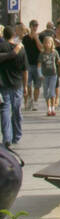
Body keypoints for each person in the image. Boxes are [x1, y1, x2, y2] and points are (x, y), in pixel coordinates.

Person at [0, 25, 27, 155]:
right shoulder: (21, 49)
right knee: (16, 110)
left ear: (3, 35)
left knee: (5, 110)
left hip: (4, 84)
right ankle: (17, 135)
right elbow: (25, 69)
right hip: (17, 84)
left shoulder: (1, 47)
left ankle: (7, 138)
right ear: (13, 35)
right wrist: (26, 85)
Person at [23, 19, 43, 111]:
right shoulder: (25, 38)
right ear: (30, 27)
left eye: (36, 26)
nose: (35, 27)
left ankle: (35, 102)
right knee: (28, 84)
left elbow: (41, 49)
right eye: (33, 26)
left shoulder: (40, 37)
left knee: (37, 85)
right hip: (28, 64)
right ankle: (30, 99)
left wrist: (36, 38)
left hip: (37, 64)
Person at [39, 35, 60, 116]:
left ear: (52, 44)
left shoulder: (55, 52)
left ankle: (53, 108)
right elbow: (39, 64)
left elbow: (59, 62)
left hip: (53, 74)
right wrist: (40, 74)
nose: (47, 44)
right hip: (45, 75)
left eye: (49, 43)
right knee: (46, 92)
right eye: (46, 43)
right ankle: (48, 108)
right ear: (44, 44)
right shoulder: (42, 54)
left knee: (51, 91)